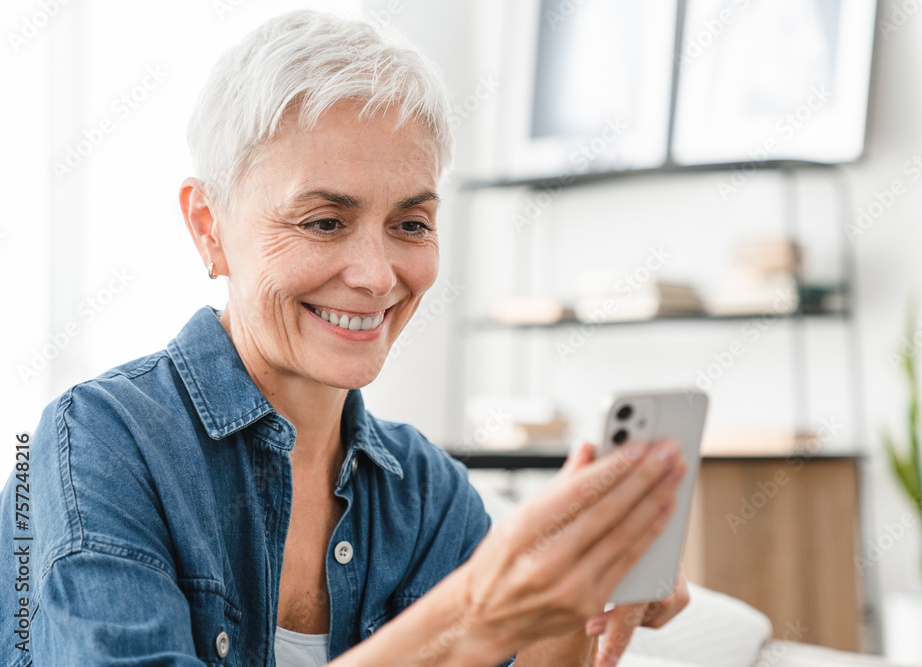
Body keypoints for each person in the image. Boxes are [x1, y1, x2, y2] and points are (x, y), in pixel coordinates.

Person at [0, 9, 689, 666]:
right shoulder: (93, 443)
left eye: (411, 224)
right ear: (208, 225)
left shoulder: (426, 491)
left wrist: (579, 590)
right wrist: (468, 615)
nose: (376, 275)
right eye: (325, 221)